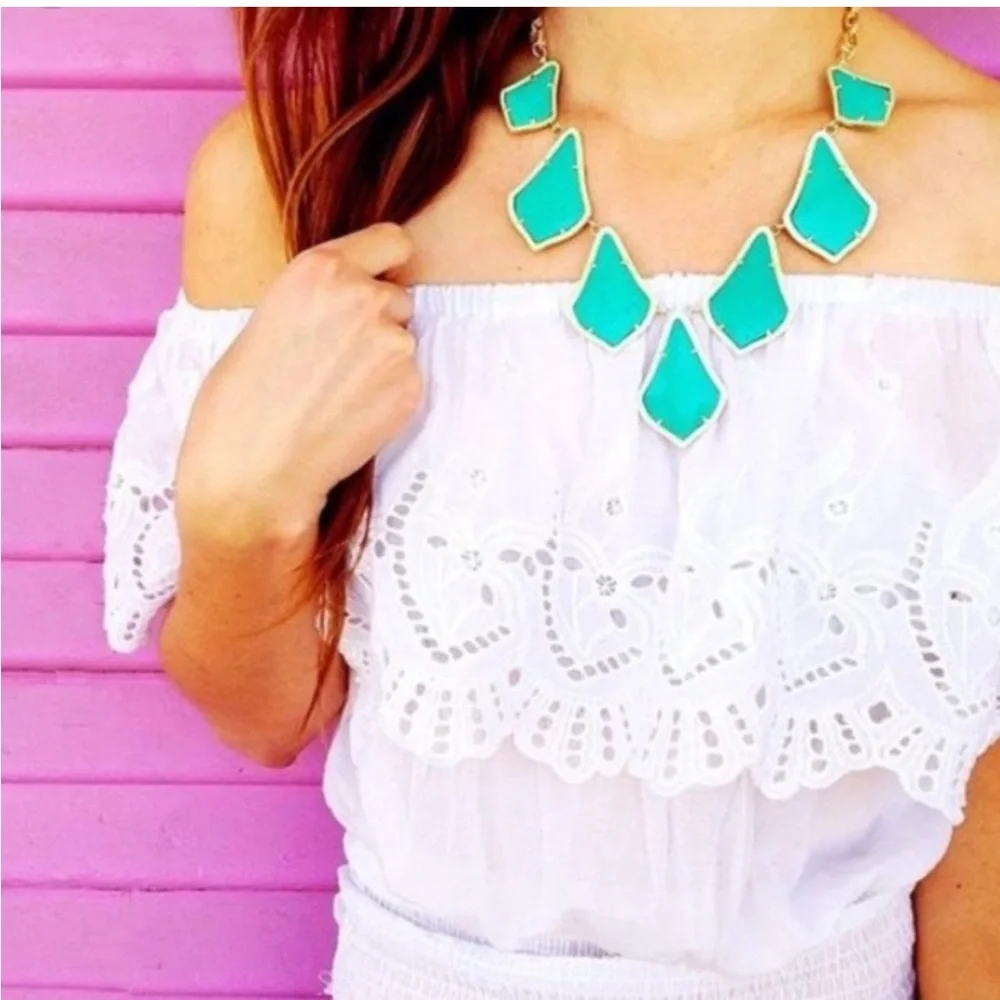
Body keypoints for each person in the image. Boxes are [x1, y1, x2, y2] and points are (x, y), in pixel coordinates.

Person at [103, 8, 1000, 998]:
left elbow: (984, 787)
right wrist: (234, 515)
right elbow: (269, 713)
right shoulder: (309, 178)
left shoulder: (982, 184)